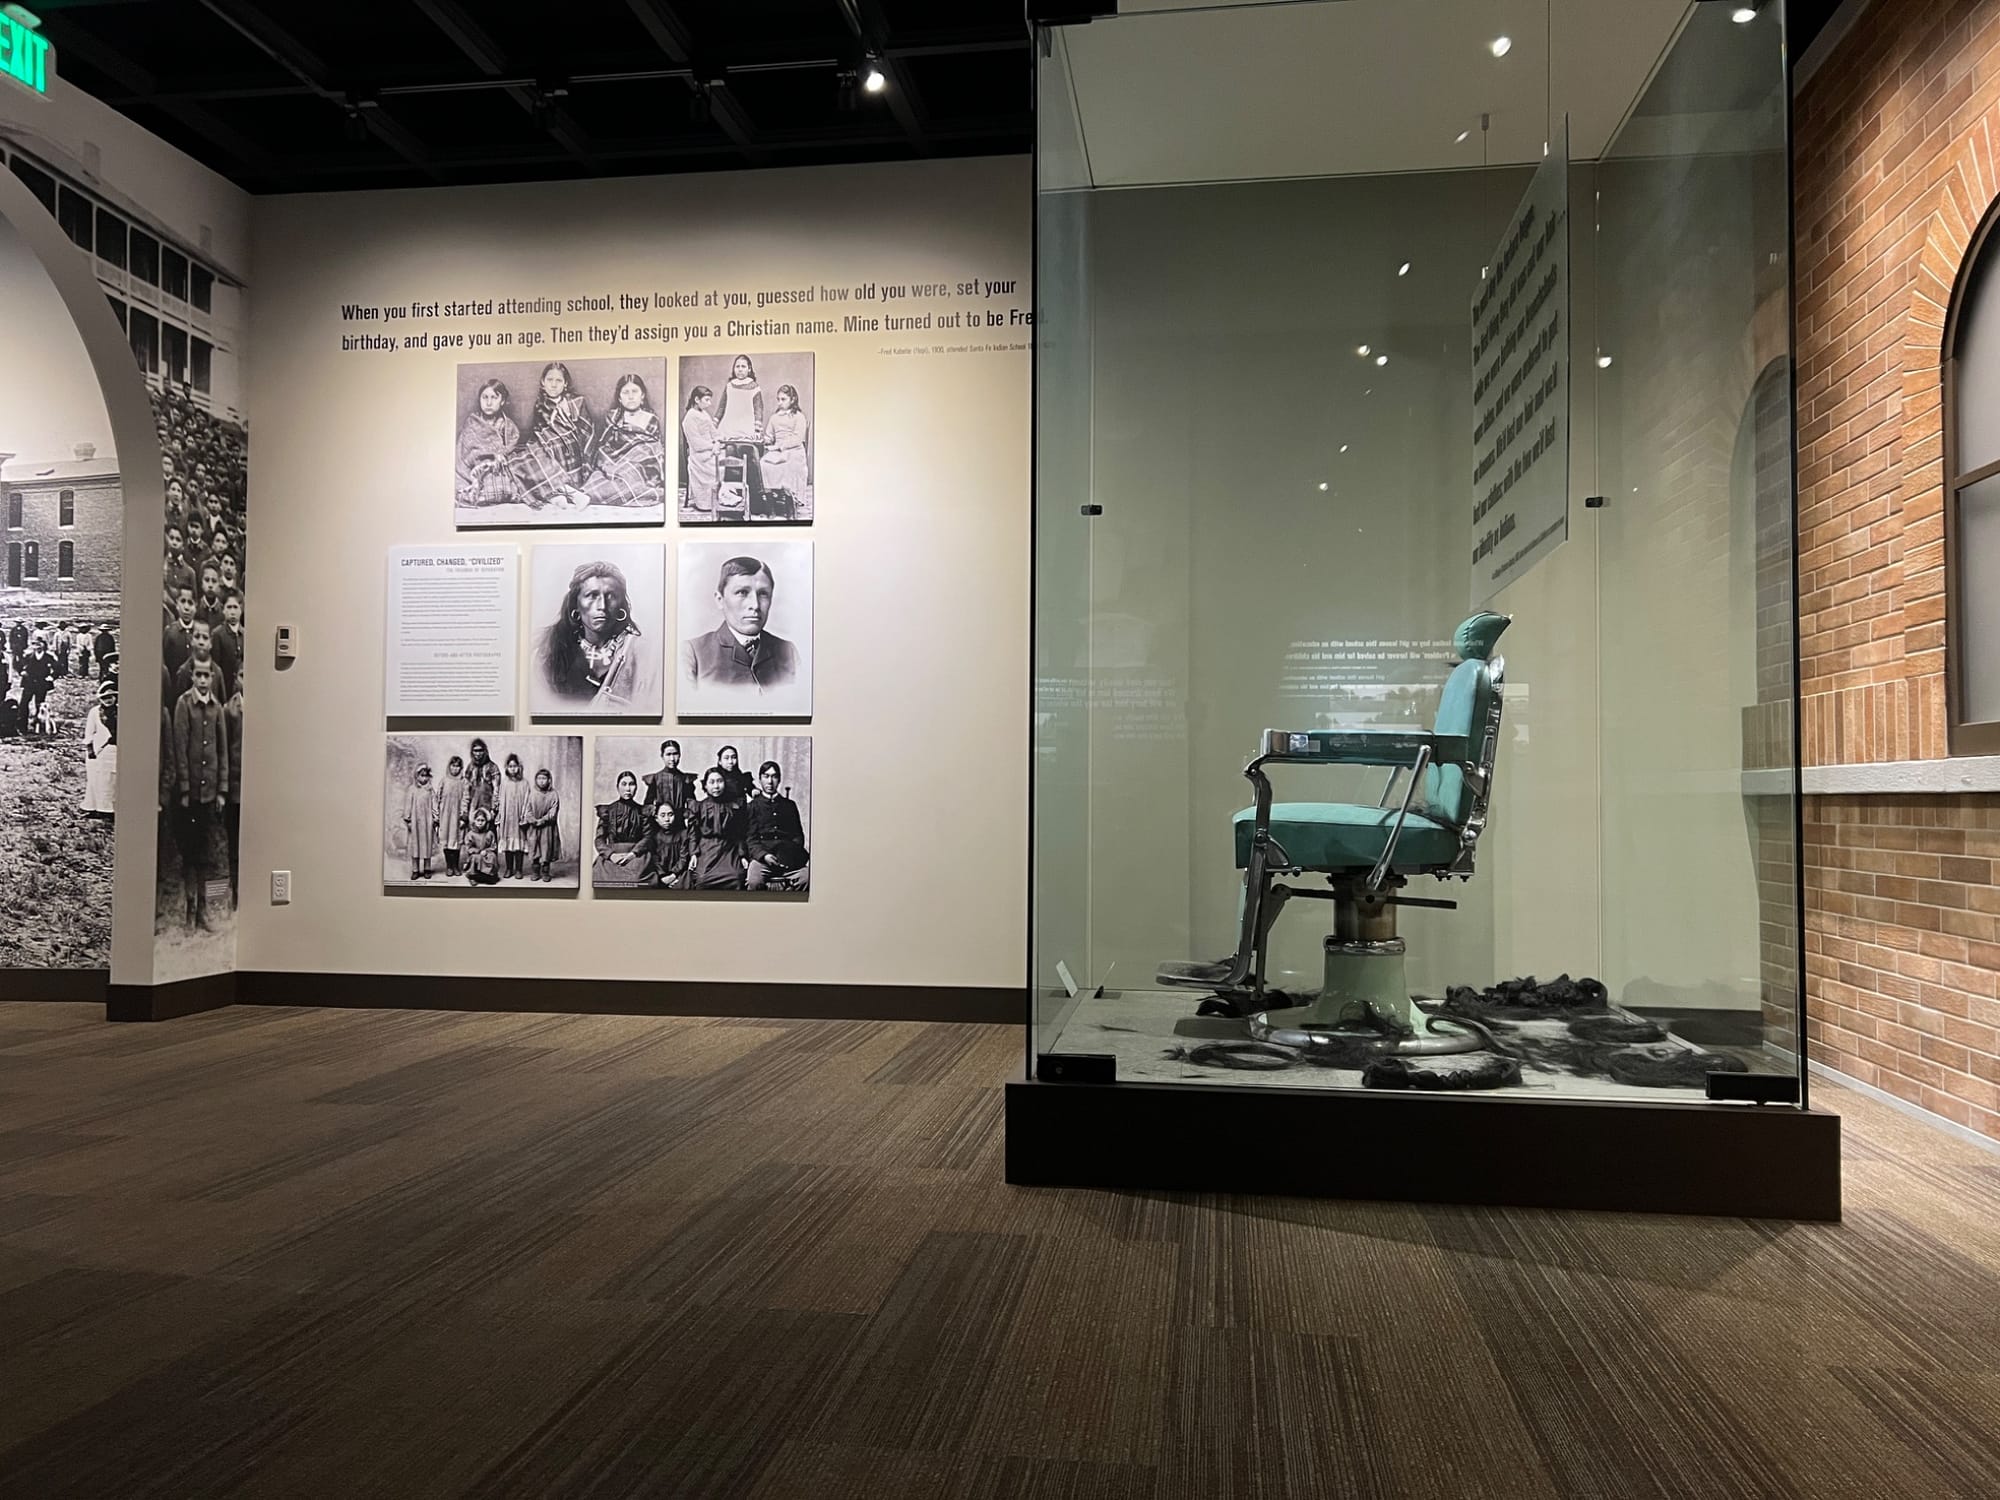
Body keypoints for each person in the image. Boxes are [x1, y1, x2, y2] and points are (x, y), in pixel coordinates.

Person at [535, 559, 660, 713]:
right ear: (576, 604)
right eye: (592, 595)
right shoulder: (548, 649)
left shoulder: (643, 653)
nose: (602, 606)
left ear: (621, 605)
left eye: (611, 596)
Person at [680, 555, 801, 701]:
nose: (755, 605)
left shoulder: (788, 651)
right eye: (742, 592)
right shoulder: (693, 652)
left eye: (763, 594)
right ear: (720, 600)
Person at [172, 658, 228, 931]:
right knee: (190, 853)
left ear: (213, 678)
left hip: (209, 795)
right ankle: (189, 909)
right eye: (199, 675)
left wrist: (221, 790)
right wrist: (183, 788)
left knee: (206, 854)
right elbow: (179, 748)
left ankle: (204, 911)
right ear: (192, 677)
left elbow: (222, 752)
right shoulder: (184, 705)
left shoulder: (217, 707)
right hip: (190, 794)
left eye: (208, 676)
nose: (204, 680)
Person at [507, 362, 594, 509]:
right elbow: (539, 433)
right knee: (516, 461)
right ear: (543, 382)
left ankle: (561, 493)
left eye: (559, 381)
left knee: (539, 455)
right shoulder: (540, 405)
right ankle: (567, 493)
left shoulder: (577, 402)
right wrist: (537, 445)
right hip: (549, 449)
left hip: (570, 452)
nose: (553, 385)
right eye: (550, 380)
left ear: (565, 384)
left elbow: (587, 433)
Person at [577, 372, 665, 509]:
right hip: (615, 463)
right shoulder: (613, 418)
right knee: (596, 479)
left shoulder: (651, 419)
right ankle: (599, 492)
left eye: (635, 391)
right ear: (619, 397)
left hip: (641, 465)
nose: (630, 396)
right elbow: (605, 447)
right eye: (626, 392)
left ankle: (601, 494)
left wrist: (636, 458)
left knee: (630, 479)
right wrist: (609, 463)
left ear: (642, 396)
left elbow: (653, 449)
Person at [456, 377, 521, 508]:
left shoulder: (507, 426)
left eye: (494, 398)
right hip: (477, 467)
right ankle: (480, 489)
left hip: (499, 467)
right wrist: (490, 455)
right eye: (485, 397)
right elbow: (467, 451)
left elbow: (512, 447)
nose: (489, 402)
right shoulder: (472, 423)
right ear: (479, 400)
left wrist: (501, 455)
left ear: (502, 401)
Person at [744, 760, 809, 890]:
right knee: (753, 882)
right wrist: (764, 855)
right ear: (760, 779)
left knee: (807, 879)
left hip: (789, 858)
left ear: (779, 780)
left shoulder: (789, 805)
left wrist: (789, 855)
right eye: (766, 776)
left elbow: (798, 836)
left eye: (774, 776)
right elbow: (751, 839)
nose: (770, 781)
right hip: (763, 859)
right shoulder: (752, 806)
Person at [714, 355, 766, 513]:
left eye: (744, 366)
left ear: (749, 368)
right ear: (733, 369)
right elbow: (722, 406)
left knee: (749, 455)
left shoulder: (754, 386)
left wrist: (757, 428)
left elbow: (758, 409)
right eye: (737, 366)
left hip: (746, 427)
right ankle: (733, 498)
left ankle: (756, 499)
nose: (740, 369)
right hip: (730, 427)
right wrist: (714, 424)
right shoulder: (729, 386)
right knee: (731, 457)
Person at [757, 383, 810, 518]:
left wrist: (779, 446)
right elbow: (770, 435)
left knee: (788, 466)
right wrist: (765, 439)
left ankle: (789, 508)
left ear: (792, 400)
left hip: (795, 451)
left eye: (783, 399)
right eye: (778, 399)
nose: (779, 402)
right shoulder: (774, 417)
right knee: (763, 464)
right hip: (777, 451)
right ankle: (771, 508)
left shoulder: (799, 416)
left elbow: (798, 439)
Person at [691, 766, 747, 890]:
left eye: (719, 781)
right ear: (705, 786)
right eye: (711, 782)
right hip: (707, 848)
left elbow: (740, 833)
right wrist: (694, 854)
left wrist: (742, 855)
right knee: (701, 879)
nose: (716, 786)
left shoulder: (734, 806)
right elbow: (693, 833)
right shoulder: (699, 807)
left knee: (737, 877)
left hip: (729, 848)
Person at [593, 770, 651, 887]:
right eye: (624, 784)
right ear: (617, 787)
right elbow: (599, 839)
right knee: (602, 879)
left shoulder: (643, 811)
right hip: (613, 854)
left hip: (636, 854)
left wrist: (633, 854)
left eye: (631, 784)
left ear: (636, 787)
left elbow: (648, 837)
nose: (628, 789)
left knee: (636, 881)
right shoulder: (608, 810)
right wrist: (611, 855)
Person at [681, 385, 719, 516]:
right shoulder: (689, 418)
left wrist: (717, 442)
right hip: (699, 456)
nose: (709, 403)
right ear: (697, 399)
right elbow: (696, 443)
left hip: (709, 450)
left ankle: (719, 499)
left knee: (729, 459)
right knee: (720, 466)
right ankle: (705, 503)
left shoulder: (704, 414)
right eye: (707, 400)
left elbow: (714, 432)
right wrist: (712, 446)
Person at [82, 678, 117, 820]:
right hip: (98, 751)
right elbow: (89, 733)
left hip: (114, 751)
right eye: (104, 697)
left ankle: (108, 809)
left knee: (111, 781)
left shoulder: (121, 711)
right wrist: (90, 750)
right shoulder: (95, 712)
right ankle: (94, 807)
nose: (108, 700)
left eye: (111, 697)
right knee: (96, 779)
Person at [523, 766, 562, 882]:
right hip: (534, 827)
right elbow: (527, 809)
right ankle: (535, 872)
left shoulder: (553, 794)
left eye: (544, 778)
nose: (541, 781)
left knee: (546, 849)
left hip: (547, 828)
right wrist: (533, 820)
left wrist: (543, 820)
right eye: (539, 778)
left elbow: (553, 812)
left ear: (549, 780)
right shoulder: (532, 794)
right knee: (534, 848)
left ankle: (545, 872)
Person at [224, 674, 243, 908]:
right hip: (236, 787)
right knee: (235, 842)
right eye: (241, 675)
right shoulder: (229, 710)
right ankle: (236, 891)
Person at [402, 762, 438, 881]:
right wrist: (408, 820)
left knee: (427, 846)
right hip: (415, 822)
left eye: (426, 776)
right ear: (416, 776)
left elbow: (435, 805)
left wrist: (435, 818)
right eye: (421, 775)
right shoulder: (412, 790)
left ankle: (427, 868)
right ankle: (415, 870)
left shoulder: (430, 790)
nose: (424, 778)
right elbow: (408, 805)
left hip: (427, 823)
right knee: (415, 846)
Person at [498, 752, 530, 881]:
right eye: (510, 766)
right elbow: (501, 799)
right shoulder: (504, 783)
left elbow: (528, 800)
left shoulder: (525, 783)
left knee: (518, 846)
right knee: (508, 845)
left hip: (519, 818)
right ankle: (509, 868)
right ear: (507, 768)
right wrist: (501, 815)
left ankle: (518, 869)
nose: (513, 769)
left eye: (515, 766)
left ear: (519, 767)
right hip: (507, 818)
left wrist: (524, 815)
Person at [646, 798, 690, 888]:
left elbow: (684, 858)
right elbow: (654, 860)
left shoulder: (683, 834)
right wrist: (662, 876)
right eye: (662, 815)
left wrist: (673, 875)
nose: (667, 819)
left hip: (679, 874)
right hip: (660, 876)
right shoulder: (654, 837)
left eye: (670, 815)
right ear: (656, 818)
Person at [436, 753, 468, 876]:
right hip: (445, 817)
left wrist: (463, 817)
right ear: (449, 767)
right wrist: (437, 816)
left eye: (457, 766)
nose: (455, 769)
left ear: (461, 768)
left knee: (456, 841)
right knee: (446, 842)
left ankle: (455, 866)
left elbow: (466, 799)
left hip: (457, 817)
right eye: (453, 766)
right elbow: (437, 798)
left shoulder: (464, 782)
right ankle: (449, 866)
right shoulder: (444, 781)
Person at [18, 633, 54, 733]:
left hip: (41, 684)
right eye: (35, 645)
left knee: (39, 704)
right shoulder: (28, 657)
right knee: (23, 703)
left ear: (44, 646)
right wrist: (22, 671)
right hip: (29, 684)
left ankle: (38, 725)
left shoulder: (48, 658)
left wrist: (52, 677)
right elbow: (19, 665)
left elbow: (58, 669)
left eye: (39, 645)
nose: (37, 647)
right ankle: (22, 726)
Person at [461, 804, 501, 886]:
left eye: (482, 820)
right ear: (474, 821)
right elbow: (469, 847)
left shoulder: (489, 833)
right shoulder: (470, 834)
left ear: (486, 821)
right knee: (475, 858)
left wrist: (486, 851)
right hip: (476, 854)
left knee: (492, 856)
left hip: (486, 853)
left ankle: (488, 876)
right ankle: (474, 876)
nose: (480, 823)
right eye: (478, 820)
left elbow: (493, 846)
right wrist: (478, 851)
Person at [466, 737, 500, 824]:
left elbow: (497, 789)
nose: (478, 753)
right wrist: (465, 811)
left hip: (488, 804)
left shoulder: (493, 767)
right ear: (472, 752)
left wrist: (494, 809)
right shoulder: (470, 767)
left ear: (485, 751)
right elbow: (466, 790)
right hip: (473, 804)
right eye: (475, 751)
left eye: (480, 750)